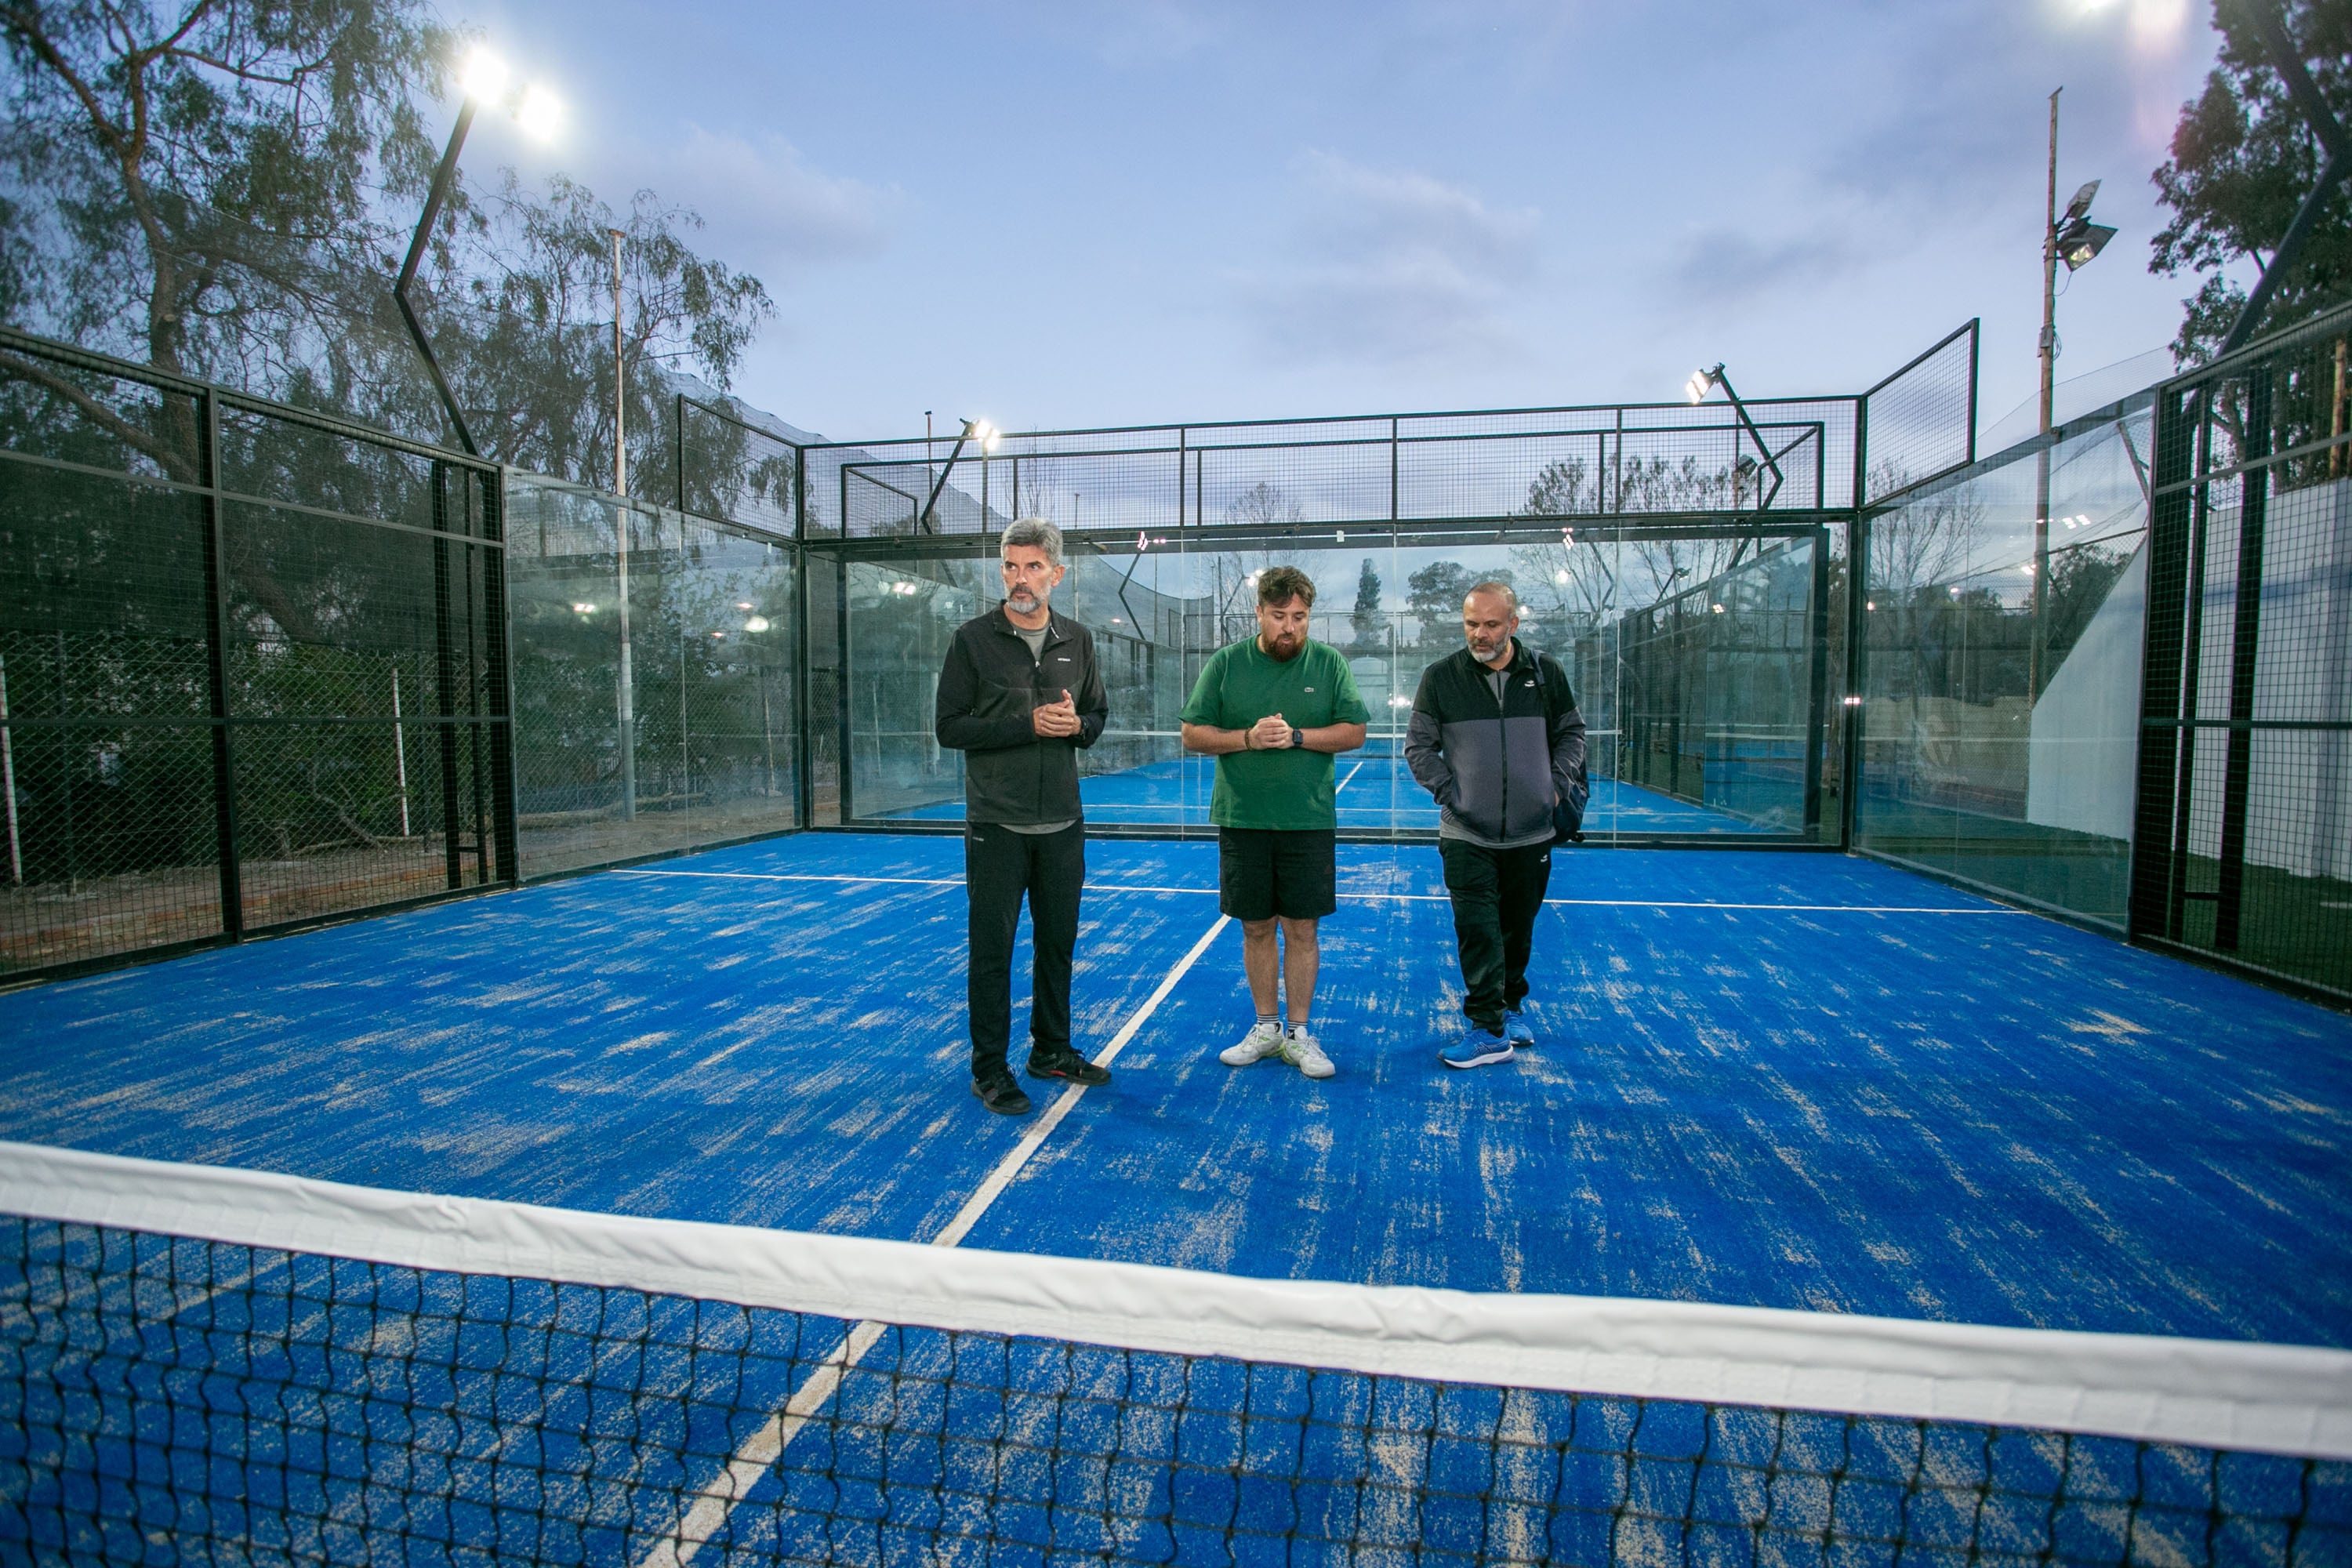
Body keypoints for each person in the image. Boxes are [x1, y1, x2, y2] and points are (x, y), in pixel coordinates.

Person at [935, 518, 1112, 1115]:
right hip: (996, 825)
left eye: (1033, 567)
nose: (1020, 578)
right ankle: (989, 1069)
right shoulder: (972, 640)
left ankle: (1051, 1051)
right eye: (1011, 565)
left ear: (1056, 574)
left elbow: (1095, 717)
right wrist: (1026, 724)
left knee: (1057, 945)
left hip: (1063, 823)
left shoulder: (1079, 641)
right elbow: (950, 727)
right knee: (993, 951)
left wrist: (1077, 728)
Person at [1180, 566, 1369, 1079]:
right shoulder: (1226, 665)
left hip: (1307, 821)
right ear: (1259, 613)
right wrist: (1247, 738)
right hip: (1243, 820)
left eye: (1300, 617)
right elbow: (1193, 734)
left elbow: (1355, 732)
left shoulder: (1329, 664)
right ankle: (1266, 1027)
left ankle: (1299, 1034)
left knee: (1302, 929)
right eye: (1280, 616)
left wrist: (1299, 737)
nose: (1291, 627)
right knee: (1257, 926)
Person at [1403, 581, 1587, 1069]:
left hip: (1533, 832)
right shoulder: (1441, 677)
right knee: (1478, 927)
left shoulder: (1546, 673)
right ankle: (1487, 1028)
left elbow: (1572, 734)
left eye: (1490, 624)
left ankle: (1509, 1006)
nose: (1479, 634)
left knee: (1517, 926)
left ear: (1513, 625)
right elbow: (1418, 748)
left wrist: (1555, 787)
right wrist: (1452, 795)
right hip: (1466, 833)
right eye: (1471, 624)